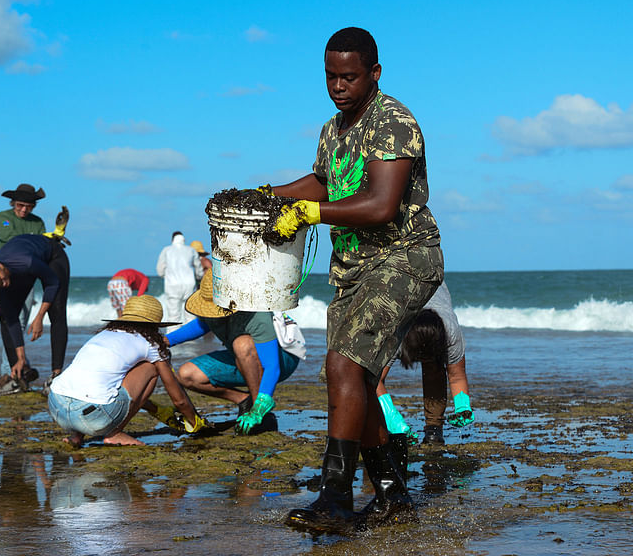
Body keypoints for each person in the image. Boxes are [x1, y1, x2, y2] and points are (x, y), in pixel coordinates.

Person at [259, 27, 443, 534]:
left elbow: (382, 205)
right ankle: (391, 494)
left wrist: (307, 212)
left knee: (345, 365)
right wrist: (267, 195)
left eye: (349, 76)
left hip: (404, 259)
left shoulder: (394, 121)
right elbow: (323, 179)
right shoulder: (333, 128)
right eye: (330, 76)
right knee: (351, 378)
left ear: (374, 73)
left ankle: (335, 498)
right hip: (355, 269)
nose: (338, 85)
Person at [47, 295, 210, 447]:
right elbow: (178, 400)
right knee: (152, 367)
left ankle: (76, 436)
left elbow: (118, 388)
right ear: (154, 325)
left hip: (56, 406)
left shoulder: (105, 334)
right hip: (92, 416)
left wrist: (157, 410)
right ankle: (114, 434)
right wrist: (194, 422)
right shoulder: (150, 343)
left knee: (99, 382)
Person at [165, 270, 301, 434]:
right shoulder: (213, 309)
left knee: (242, 344)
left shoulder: (256, 314)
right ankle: (244, 400)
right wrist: (166, 341)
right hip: (245, 358)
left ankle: (261, 414)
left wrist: (261, 406)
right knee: (186, 374)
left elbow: (272, 366)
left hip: (282, 358)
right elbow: (200, 326)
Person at [0, 233, 70, 395]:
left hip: (51, 256)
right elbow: (12, 320)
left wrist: (39, 316)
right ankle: (20, 372)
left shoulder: (23, 262)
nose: (2, 284)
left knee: (56, 311)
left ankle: (56, 375)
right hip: (21, 274)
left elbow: (52, 282)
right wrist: (20, 357)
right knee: (5, 317)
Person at [377, 281, 474, 445]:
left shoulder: (450, 332)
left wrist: (462, 406)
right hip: (393, 289)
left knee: (434, 369)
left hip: (435, 290)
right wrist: (390, 414)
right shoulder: (394, 333)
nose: (423, 362)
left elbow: (456, 376)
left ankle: (434, 428)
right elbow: (375, 379)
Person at [0, 183, 47, 375]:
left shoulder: (37, 223)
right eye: (20, 206)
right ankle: (9, 369)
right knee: (10, 320)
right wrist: (31, 239)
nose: (23, 210)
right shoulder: (3, 218)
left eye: (28, 207)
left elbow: (43, 245)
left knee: (22, 320)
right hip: (3, 276)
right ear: (13, 203)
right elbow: (12, 239)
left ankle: (18, 363)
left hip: (27, 276)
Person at [156, 231, 203, 323]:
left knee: (173, 316)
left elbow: (160, 270)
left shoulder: (166, 250)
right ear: (183, 240)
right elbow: (198, 269)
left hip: (172, 285)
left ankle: (172, 336)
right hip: (189, 285)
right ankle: (191, 336)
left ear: (172, 239)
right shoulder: (191, 250)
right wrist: (198, 277)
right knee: (190, 315)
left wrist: (168, 275)